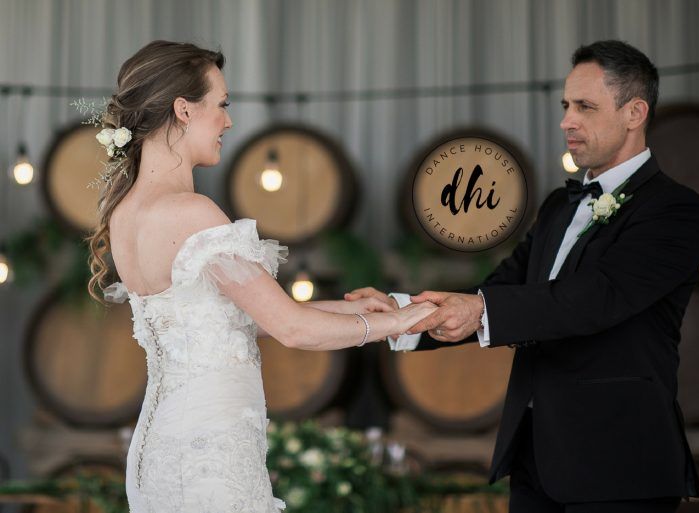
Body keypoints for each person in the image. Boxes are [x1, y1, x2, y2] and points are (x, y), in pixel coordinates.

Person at [347, 40, 699, 512]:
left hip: (620, 464)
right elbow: (501, 290)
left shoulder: (675, 210)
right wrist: (399, 314)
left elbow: (595, 298)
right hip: (536, 457)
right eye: (565, 106)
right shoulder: (561, 205)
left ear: (634, 112)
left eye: (584, 107)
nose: (566, 122)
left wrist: (480, 309)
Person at [86, 40, 436, 513]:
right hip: (209, 457)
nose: (228, 121)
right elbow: (291, 329)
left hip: (160, 448)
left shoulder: (127, 212)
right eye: (222, 105)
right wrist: (398, 323)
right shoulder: (191, 212)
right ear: (184, 110)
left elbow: (249, 317)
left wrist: (356, 309)